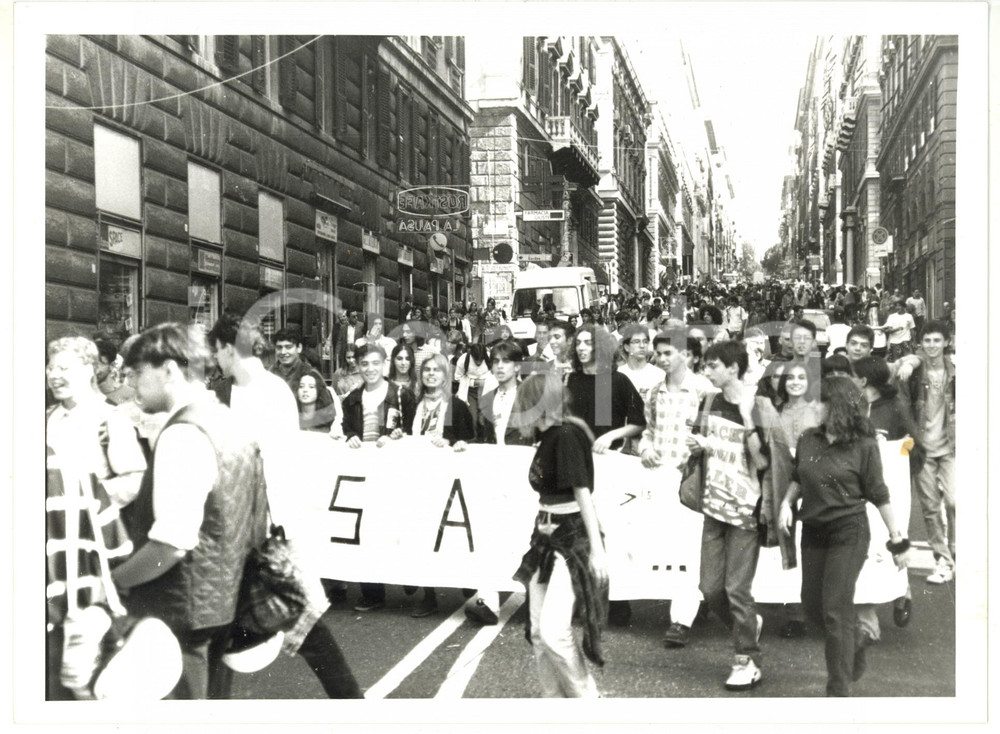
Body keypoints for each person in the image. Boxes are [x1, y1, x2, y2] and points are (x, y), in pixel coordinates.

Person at [206, 313, 362, 698]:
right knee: (227, 626)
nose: (216, 362)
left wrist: (269, 526)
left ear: (230, 348)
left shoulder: (268, 390)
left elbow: (272, 462)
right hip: (250, 523)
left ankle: (353, 703)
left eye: (218, 354)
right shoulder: (234, 390)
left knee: (300, 621)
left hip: (269, 525)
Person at [111, 323, 267, 699]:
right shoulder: (229, 421)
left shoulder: (182, 433)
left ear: (168, 369)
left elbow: (171, 544)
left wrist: (117, 581)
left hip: (176, 614)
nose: (131, 386)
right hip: (222, 606)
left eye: (136, 373)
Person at [778, 377, 911, 697]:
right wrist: (786, 502)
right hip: (813, 530)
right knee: (812, 608)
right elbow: (799, 476)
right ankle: (856, 642)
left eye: (818, 401)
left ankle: (838, 689)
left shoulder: (863, 445)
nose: (812, 407)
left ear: (835, 406)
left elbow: (879, 494)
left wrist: (899, 540)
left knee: (835, 610)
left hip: (847, 532)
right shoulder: (809, 438)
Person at [45, 336, 147, 699]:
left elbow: (135, 477)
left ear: (89, 370)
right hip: (56, 552)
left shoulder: (110, 419)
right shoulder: (47, 419)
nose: (53, 375)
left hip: (97, 553)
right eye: (51, 367)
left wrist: (92, 501)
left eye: (64, 368)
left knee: (89, 660)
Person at [510, 372, 609, 698]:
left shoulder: (565, 435)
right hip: (546, 540)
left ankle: (588, 701)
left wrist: (596, 550)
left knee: (554, 632)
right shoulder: (553, 435)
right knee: (538, 632)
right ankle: (552, 705)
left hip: (571, 540)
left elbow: (583, 494)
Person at [692, 340, 769, 691]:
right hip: (714, 505)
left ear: (733, 369)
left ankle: (746, 659)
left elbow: (766, 461)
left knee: (736, 588)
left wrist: (748, 414)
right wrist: (697, 445)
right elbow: (698, 441)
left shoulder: (759, 403)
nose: (706, 372)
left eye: (712, 366)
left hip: (746, 506)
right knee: (710, 588)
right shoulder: (708, 400)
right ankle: (748, 625)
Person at [638, 330, 715, 648]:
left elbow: (721, 435)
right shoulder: (655, 391)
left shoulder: (705, 390)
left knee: (688, 549)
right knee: (669, 547)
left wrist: (704, 444)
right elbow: (648, 431)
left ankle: (680, 620)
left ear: (686, 355)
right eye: (659, 353)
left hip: (693, 479)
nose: (661, 358)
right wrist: (645, 449)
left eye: (668, 352)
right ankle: (693, 604)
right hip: (662, 479)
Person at [566, 324, 646, 626]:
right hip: (577, 462)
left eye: (588, 343)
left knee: (609, 531)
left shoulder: (618, 380)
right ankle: (583, 599)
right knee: (579, 531)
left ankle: (618, 603)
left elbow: (639, 422)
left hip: (608, 463)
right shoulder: (570, 380)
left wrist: (612, 434)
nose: (582, 348)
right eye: (579, 343)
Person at [341, 343, 415, 612]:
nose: (369, 369)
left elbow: (413, 429)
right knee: (365, 530)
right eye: (364, 364)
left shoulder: (400, 395)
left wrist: (399, 436)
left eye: (375, 363)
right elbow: (347, 427)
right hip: (365, 471)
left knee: (397, 524)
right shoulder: (351, 399)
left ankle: (410, 573)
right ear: (358, 367)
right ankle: (372, 592)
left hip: (394, 470)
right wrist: (350, 437)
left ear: (384, 365)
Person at [851, 356, 922, 631]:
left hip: (889, 488)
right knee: (865, 545)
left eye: (854, 376)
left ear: (864, 379)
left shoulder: (895, 408)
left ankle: (902, 592)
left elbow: (916, 447)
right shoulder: (855, 406)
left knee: (892, 541)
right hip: (860, 487)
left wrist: (898, 449)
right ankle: (865, 615)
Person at [408, 352, 477, 618]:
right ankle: (429, 595)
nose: (431, 374)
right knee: (424, 535)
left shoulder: (456, 405)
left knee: (452, 534)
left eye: (436, 370)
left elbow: (471, 438)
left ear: (445, 375)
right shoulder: (414, 404)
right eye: (426, 370)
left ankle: (463, 579)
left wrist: (460, 443)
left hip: (449, 479)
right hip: (420, 477)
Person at [905, 321, 956, 585]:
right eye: (927, 341)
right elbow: (907, 361)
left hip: (951, 447)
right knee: (930, 508)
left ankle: (955, 547)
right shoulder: (916, 370)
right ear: (921, 344)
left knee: (955, 502)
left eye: (937, 341)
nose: (932, 346)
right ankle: (943, 560)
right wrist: (908, 362)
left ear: (946, 342)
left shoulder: (956, 371)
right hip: (923, 449)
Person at [297, 370, 343, 436]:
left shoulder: (331, 424)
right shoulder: (291, 418)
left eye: (311, 387)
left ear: (318, 390)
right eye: (301, 386)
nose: (305, 390)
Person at [271, 327, 313, 396]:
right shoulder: (270, 373)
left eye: (288, 347)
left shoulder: (309, 373)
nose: (283, 352)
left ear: (299, 348)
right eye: (279, 347)